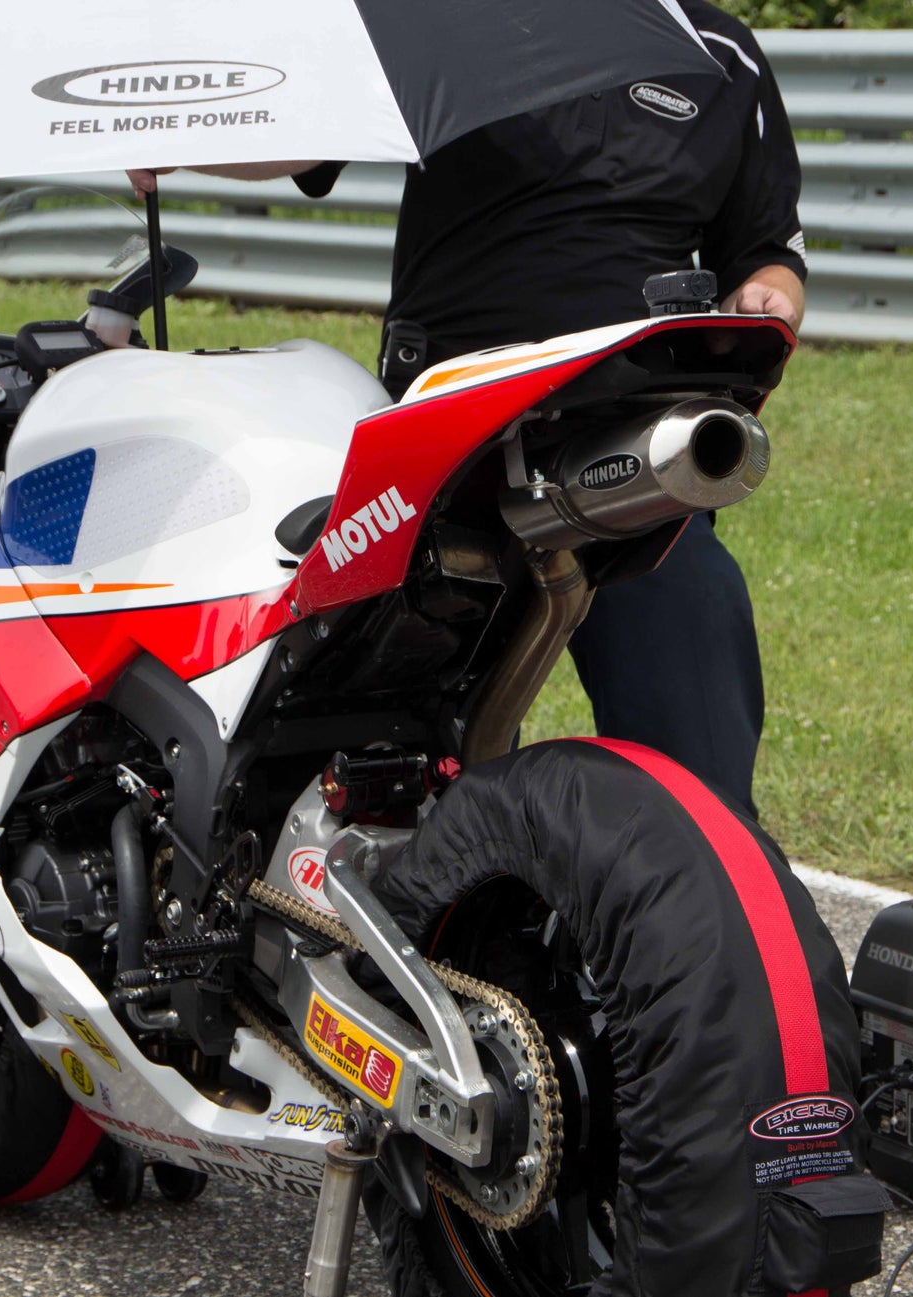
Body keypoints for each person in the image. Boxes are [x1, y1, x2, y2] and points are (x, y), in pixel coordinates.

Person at [132, 0, 804, 813]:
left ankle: (699, 860)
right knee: (391, 759)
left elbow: (768, 250)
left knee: (696, 721)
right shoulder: (446, 14)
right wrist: (177, 142)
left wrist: (767, 298)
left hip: (631, 443)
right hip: (448, 434)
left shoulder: (720, 50)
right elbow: (301, 135)